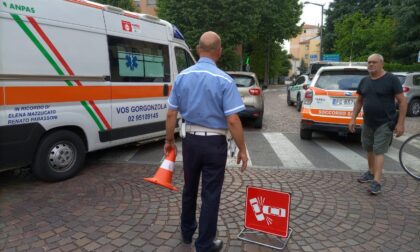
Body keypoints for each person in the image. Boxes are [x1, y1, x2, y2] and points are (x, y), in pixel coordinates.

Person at [164, 31, 248, 252]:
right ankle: (205, 244)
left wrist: (169, 140)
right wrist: (242, 149)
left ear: (197, 48)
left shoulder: (182, 77)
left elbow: (171, 114)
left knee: (189, 188)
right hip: (214, 145)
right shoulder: (224, 80)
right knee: (210, 194)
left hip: (190, 141)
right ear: (218, 52)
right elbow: (232, 119)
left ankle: (186, 231)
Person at [349, 53, 407, 195]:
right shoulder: (364, 81)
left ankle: (377, 181)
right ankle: (370, 172)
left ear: (382, 63)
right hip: (368, 122)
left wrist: (400, 124)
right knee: (368, 147)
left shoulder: (391, 79)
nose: (371, 65)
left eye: (374, 62)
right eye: (369, 62)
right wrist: (352, 119)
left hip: (385, 122)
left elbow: (403, 102)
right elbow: (359, 101)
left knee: (378, 150)